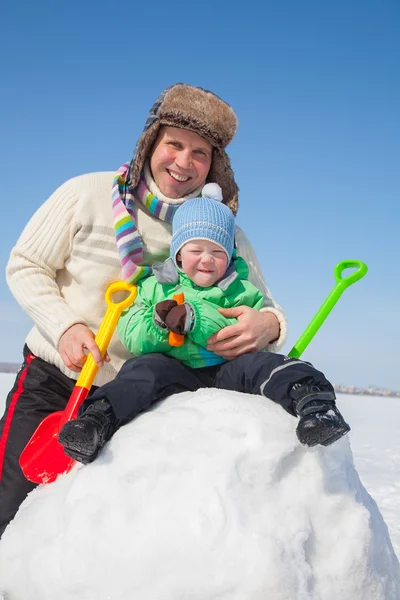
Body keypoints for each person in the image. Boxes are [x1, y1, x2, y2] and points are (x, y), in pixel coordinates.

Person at [0, 84, 287, 537]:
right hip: (55, 386)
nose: (184, 162)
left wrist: (267, 325)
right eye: (174, 144)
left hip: (143, 402)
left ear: (214, 166)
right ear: (151, 143)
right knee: (9, 506)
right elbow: (26, 265)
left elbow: (265, 306)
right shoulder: (87, 193)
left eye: (200, 153)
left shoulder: (221, 232)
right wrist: (66, 327)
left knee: (98, 529)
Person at [58, 184, 350, 465]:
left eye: (218, 252)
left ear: (229, 256)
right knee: (141, 372)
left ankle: (315, 404)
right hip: (174, 369)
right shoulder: (154, 286)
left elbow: (227, 329)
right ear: (178, 253)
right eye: (196, 249)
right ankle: (96, 421)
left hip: (227, 367)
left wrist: (192, 317)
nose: (207, 260)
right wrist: (159, 324)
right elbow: (132, 335)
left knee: (267, 365)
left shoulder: (240, 290)